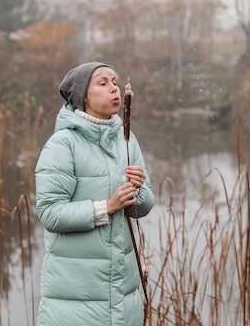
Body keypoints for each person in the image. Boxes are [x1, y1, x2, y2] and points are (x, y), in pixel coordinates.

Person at [35, 62, 154, 326]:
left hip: (124, 301)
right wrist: (106, 207)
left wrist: (139, 188)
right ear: (82, 97)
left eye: (115, 81)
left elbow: (144, 207)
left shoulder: (126, 139)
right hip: (74, 303)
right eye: (103, 83)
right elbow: (50, 214)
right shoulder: (62, 144)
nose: (115, 88)